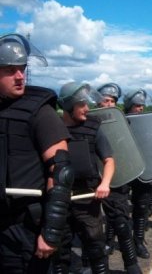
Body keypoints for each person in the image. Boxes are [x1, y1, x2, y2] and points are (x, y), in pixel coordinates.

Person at [0, 33, 74, 273]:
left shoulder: (40, 111)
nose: (20, 76)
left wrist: (51, 232)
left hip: (26, 230)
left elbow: (62, 171)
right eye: (10, 70)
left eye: (21, 68)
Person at [51, 82, 115, 274]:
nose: (87, 109)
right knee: (60, 251)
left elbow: (109, 160)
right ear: (69, 106)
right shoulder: (52, 127)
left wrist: (105, 183)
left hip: (87, 198)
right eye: (82, 104)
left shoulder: (93, 127)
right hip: (59, 199)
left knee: (96, 248)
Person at [97, 83, 143, 274]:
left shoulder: (123, 122)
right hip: (92, 179)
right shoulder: (86, 121)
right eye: (106, 100)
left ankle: (131, 264)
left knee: (122, 223)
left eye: (113, 101)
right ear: (98, 102)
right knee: (91, 228)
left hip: (117, 178)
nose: (109, 104)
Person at [124, 89, 152, 259]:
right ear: (129, 106)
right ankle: (114, 240)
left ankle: (139, 242)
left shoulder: (147, 122)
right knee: (119, 210)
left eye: (142, 106)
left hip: (142, 169)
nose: (140, 109)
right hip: (125, 169)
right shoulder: (120, 121)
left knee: (141, 207)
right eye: (137, 106)